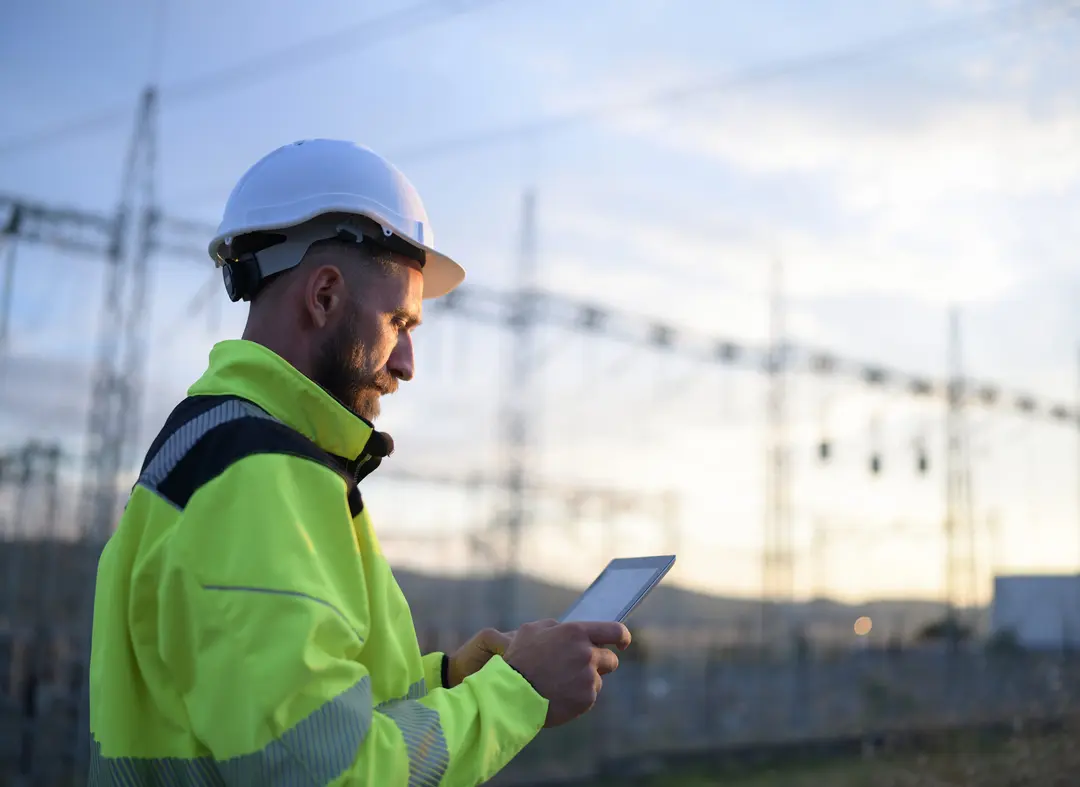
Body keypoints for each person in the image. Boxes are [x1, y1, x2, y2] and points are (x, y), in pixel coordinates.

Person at [87, 139, 631, 786]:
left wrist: (450, 680)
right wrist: (517, 692)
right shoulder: (260, 475)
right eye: (400, 322)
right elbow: (328, 772)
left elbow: (292, 716)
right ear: (324, 295)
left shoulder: (214, 445)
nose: (406, 364)